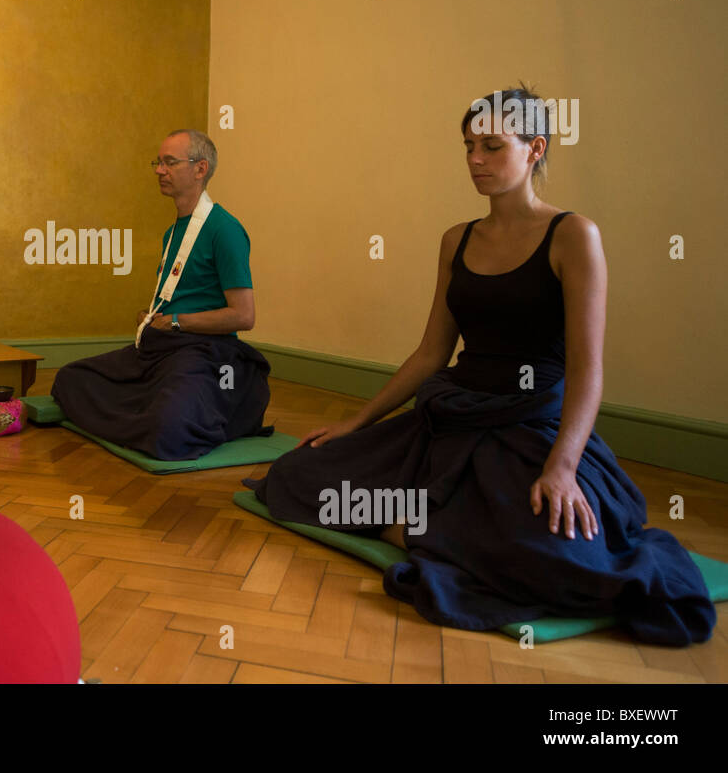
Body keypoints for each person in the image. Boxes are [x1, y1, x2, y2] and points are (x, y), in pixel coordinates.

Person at [245, 87, 716, 645]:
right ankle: (433, 528)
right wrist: (357, 421)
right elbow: (430, 353)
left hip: (531, 427)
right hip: (452, 414)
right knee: (298, 477)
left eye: (492, 146)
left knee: (558, 553)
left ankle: (423, 528)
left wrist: (563, 466)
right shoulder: (457, 240)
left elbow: (588, 369)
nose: (474, 160)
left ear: (535, 148)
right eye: (469, 146)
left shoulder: (573, 235)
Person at [51, 129, 270, 460]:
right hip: (160, 347)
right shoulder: (172, 233)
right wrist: (153, 317)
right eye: (158, 162)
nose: (158, 170)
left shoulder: (225, 230)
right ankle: (148, 411)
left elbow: (243, 316)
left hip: (204, 352)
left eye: (169, 162)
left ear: (200, 168)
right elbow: (177, 297)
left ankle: (160, 415)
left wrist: (178, 323)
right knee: (70, 379)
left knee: (169, 426)